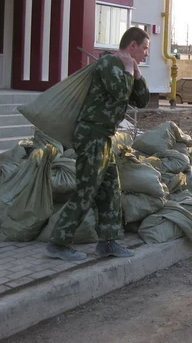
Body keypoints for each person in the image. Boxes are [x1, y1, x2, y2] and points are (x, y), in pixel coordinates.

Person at [46, 27, 150, 261]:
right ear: (132, 45)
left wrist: (137, 75)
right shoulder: (109, 64)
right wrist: (126, 70)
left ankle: (108, 242)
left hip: (104, 136)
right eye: (144, 49)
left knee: (110, 189)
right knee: (87, 189)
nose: (145, 54)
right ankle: (58, 243)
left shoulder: (127, 68)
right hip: (91, 134)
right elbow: (120, 94)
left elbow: (141, 101)